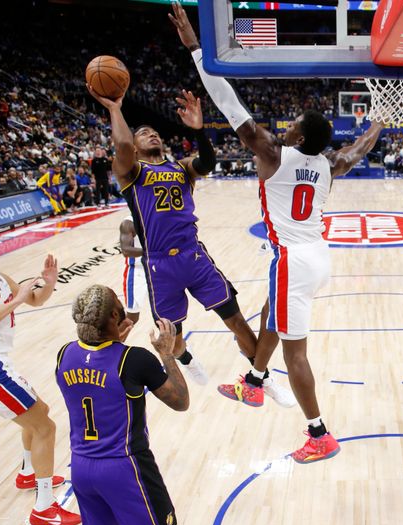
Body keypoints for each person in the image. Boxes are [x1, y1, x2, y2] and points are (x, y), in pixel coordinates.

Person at [171, 1, 381, 461]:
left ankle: (318, 432)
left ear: (300, 138)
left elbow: (229, 103)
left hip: (292, 260)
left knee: (296, 354)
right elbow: (358, 150)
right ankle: (253, 382)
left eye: (293, 125)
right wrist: (380, 119)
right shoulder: (330, 165)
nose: (284, 127)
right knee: (270, 311)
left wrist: (193, 48)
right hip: (314, 257)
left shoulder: (273, 154)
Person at [86, 75, 288, 396]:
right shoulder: (131, 173)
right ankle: (186, 357)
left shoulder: (181, 167)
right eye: (143, 133)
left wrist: (199, 130)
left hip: (194, 256)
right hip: (160, 267)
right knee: (172, 338)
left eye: (153, 131)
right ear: (135, 147)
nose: (151, 133)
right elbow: (122, 145)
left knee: (235, 318)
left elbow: (207, 162)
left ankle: (260, 377)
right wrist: (115, 108)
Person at [0, 231, 81, 525]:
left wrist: (48, 283)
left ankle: (27, 474)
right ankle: (44, 506)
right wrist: (17, 299)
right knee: (45, 427)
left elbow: (35, 300)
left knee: (40, 416)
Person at [57, 285, 188, 525]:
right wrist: (166, 354)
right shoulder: (134, 360)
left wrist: (113, 344)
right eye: (118, 302)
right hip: (124, 468)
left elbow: (94, 377)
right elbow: (181, 401)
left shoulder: (64, 354)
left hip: (81, 468)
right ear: (115, 316)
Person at [120, 214, 150, 325]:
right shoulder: (128, 222)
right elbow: (126, 250)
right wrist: (152, 251)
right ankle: (113, 341)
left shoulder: (157, 218)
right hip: (137, 272)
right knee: (132, 318)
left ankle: (176, 342)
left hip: (157, 269)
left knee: (166, 314)